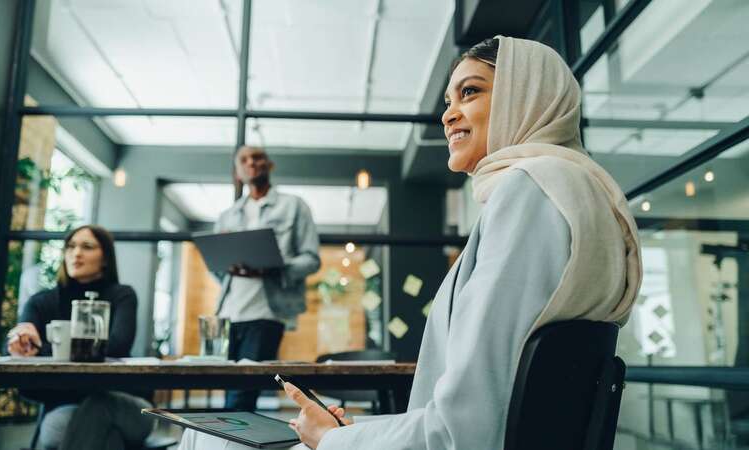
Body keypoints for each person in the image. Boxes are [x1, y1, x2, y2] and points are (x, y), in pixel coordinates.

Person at [179, 36, 642, 450]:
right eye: (447, 99)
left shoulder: (530, 193)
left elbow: (462, 432)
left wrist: (337, 440)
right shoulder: (573, 191)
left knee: (202, 439)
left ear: (525, 96)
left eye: (471, 91)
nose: (447, 114)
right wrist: (355, 433)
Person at [7, 225, 155, 450]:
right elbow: (21, 345)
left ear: (105, 258)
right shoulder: (41, 302)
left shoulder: (121, 295)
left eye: (87, 247)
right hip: (66, 408)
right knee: (106, 436)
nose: (76, 253)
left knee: (99, 404)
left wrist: (44, 349)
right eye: (71, 246)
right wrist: (19, 343)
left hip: (124, 403)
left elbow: (117, 345)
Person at [214, 145, 321, 411]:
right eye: (244, 160)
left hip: (267, 315)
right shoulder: (226, 217)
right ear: (238, 172)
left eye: (258, 157)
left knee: (242, 395)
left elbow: (311, 259)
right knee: (229, 391)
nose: (251, 163)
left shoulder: (294, 206)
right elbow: (216, 267)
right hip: (227, 315)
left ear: (269, 165)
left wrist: (273, 268)